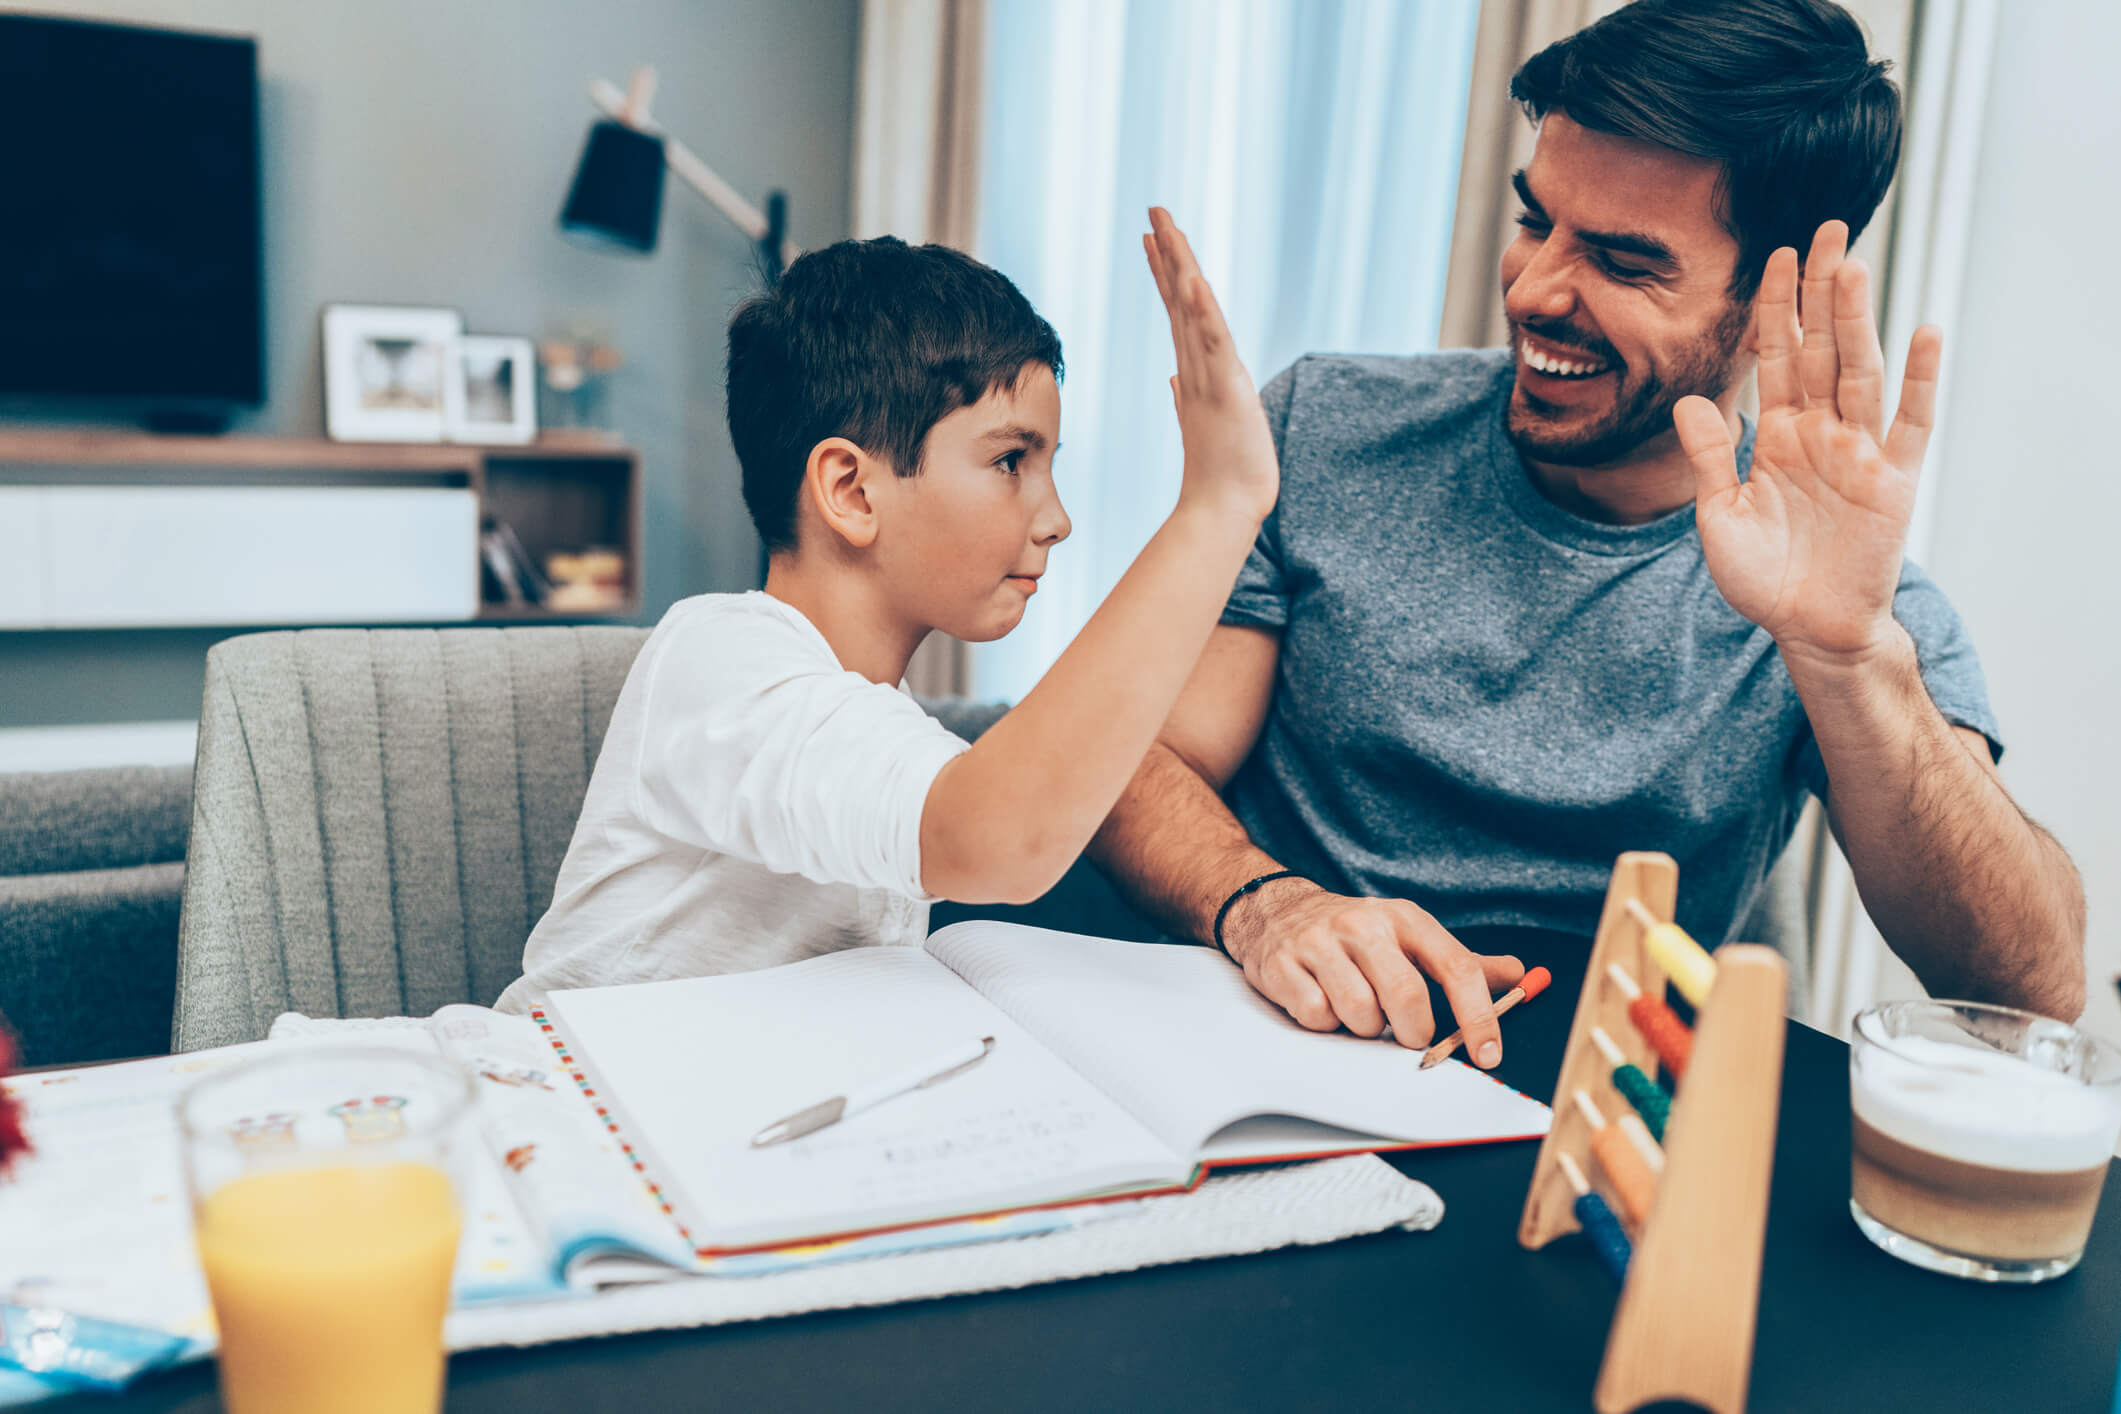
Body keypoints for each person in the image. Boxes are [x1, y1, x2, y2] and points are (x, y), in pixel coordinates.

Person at [1089, 0, 2086, 1067]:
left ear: (1770, 307)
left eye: (1621, 261)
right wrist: (1265, 905)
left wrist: (1847, 658)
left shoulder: (1845, 596)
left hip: (1584, 1120)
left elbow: (2033, 984)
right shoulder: (1323, 427)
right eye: (1536, 222)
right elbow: (1139, 757)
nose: (1533, 289)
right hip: (1256, 1034)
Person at [496, 210, 1276, 1009]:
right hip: (567, 1098)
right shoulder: (717, 658)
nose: (1055, 520)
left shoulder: (889, 726)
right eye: (1011, 461)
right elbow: (1000, 839)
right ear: (850, 491)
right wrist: (1215, 508)